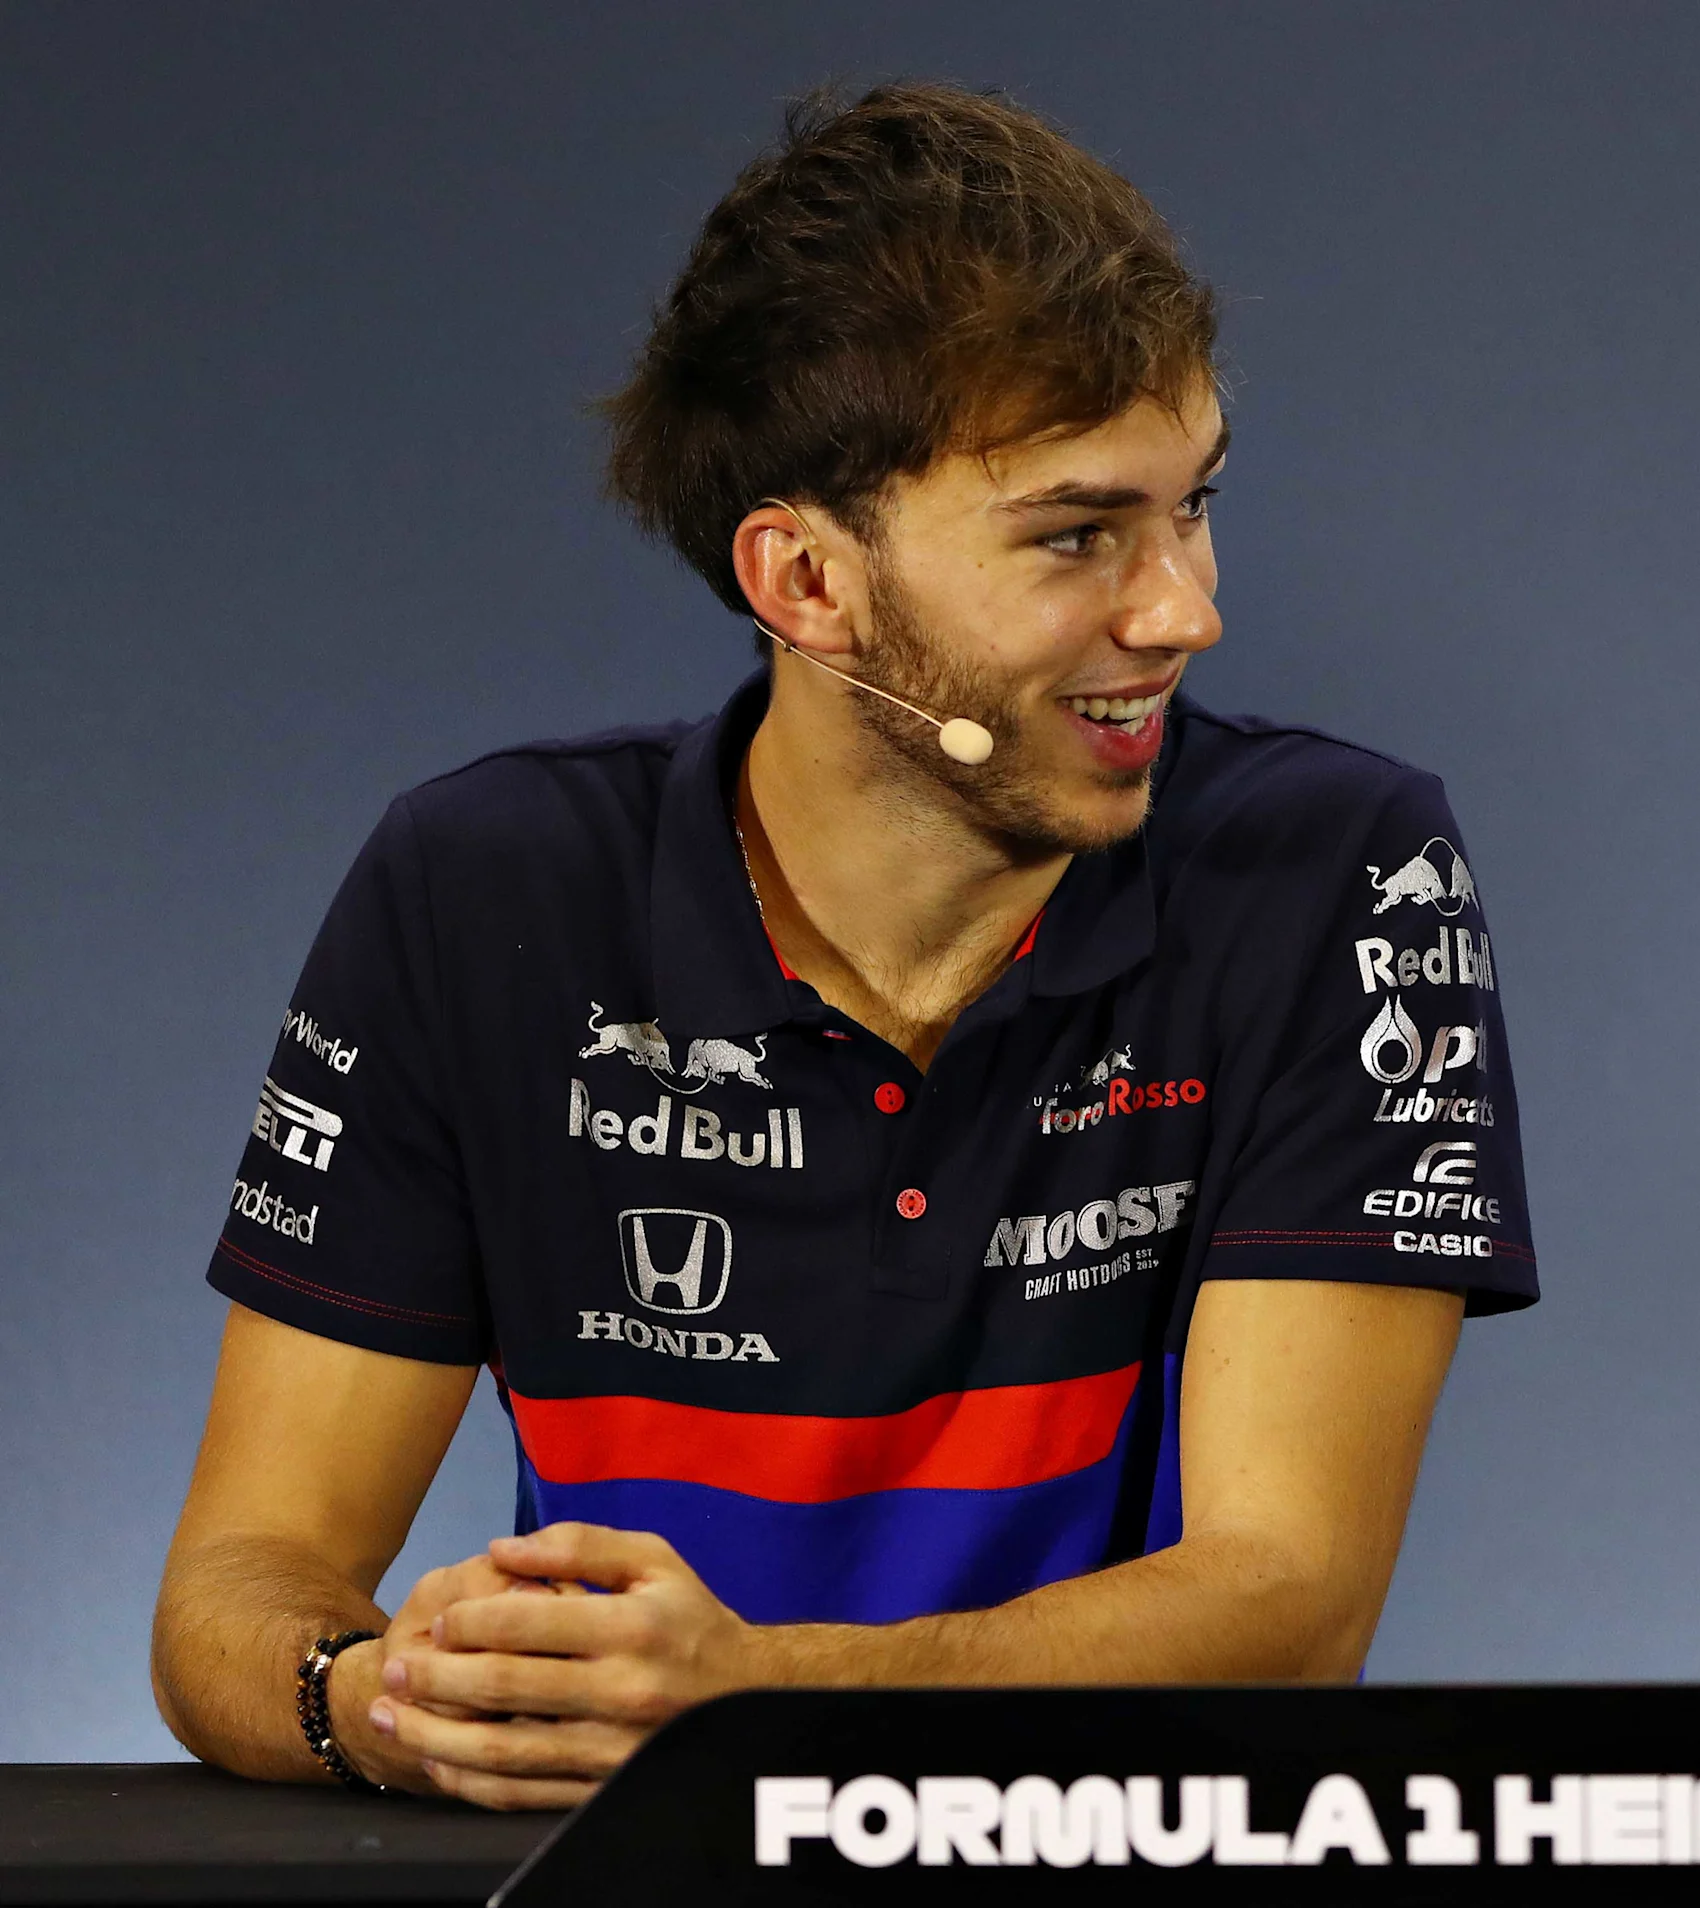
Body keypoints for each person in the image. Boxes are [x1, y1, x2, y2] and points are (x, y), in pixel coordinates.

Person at [152, 83, 1538, 1810]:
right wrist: (392, 1703)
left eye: (1192, 506)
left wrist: (747, 1699)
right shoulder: (476, 889)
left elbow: (1291, 1605)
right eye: (1077, 534)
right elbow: (236, 1587)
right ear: (806, 584)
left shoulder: (1340, 869)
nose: (1185, 607)